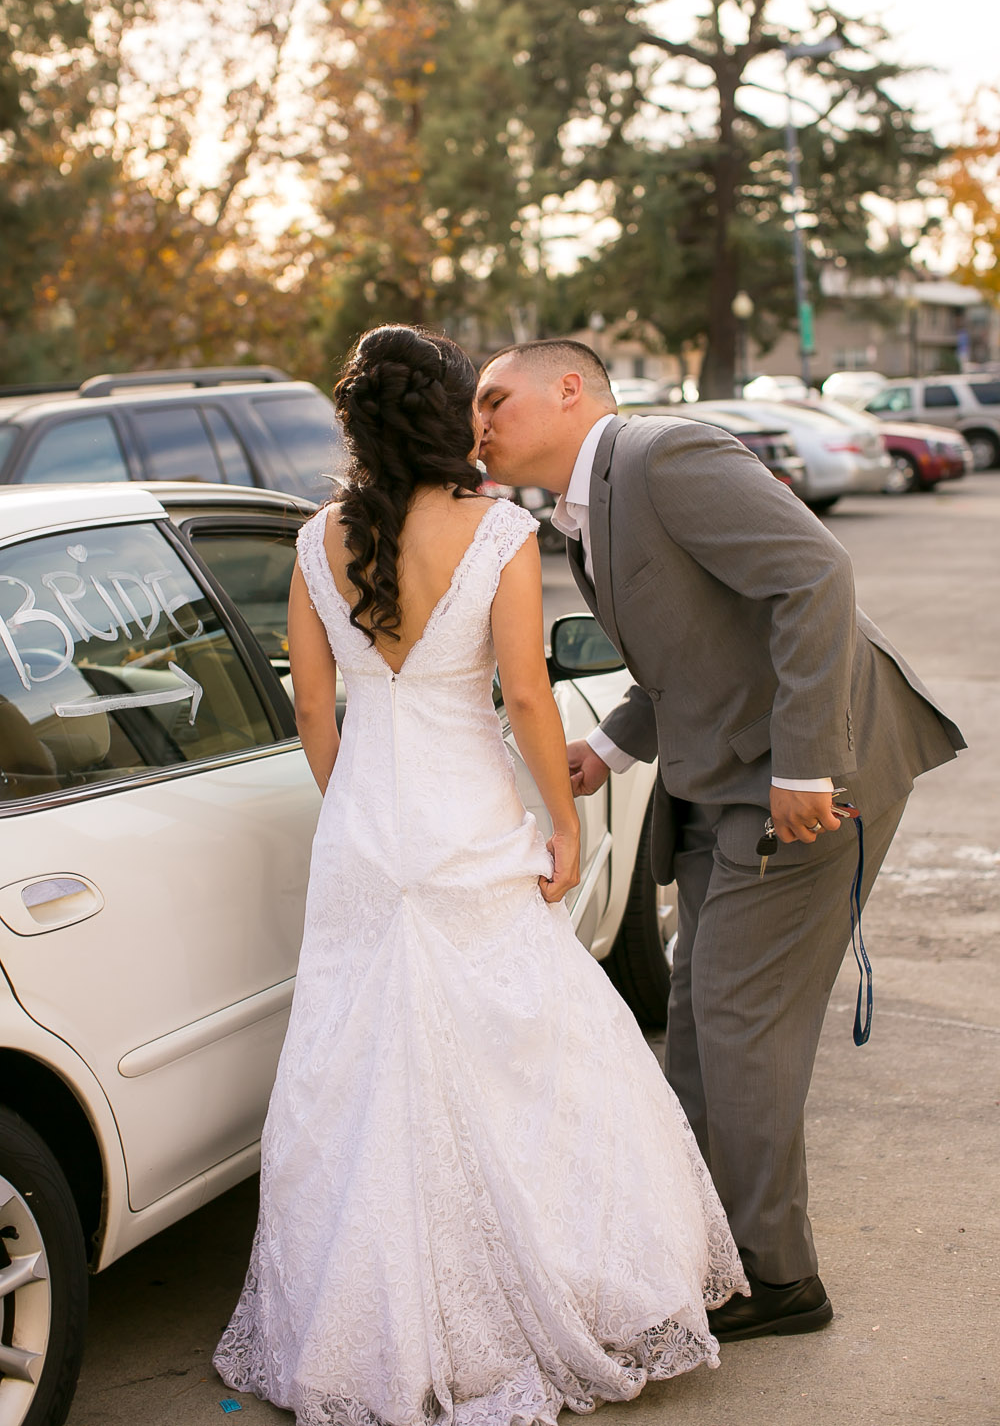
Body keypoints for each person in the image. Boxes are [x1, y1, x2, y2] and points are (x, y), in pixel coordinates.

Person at [213, 324, 746, 1425]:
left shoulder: (316, 540)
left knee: (359, 1069)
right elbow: (530, 697)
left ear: (355, 423)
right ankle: (563, 1285)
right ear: (452, 415)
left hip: (368, 823)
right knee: (519, 1046)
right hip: (467, 813)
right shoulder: (499, 531)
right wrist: (562, 821)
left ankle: (374, 1321)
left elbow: (314, 708)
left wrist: (354, 802)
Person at [475, 338, 965, 1343]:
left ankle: (777, 1281)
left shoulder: (662, 456)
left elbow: (813, 578)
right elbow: (690, 653)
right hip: (727, 780)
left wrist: (803, 765)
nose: (475, 420)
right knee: (700, 1021)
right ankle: (708, 1250)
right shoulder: (581, 516)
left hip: (807, 782)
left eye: (494, 397)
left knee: (739, 1031)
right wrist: (607, 751)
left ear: (569, 390)